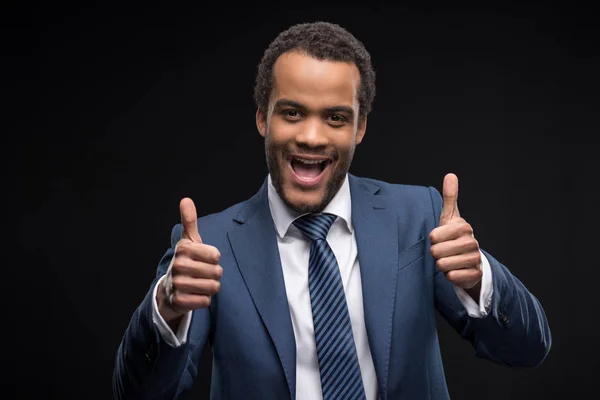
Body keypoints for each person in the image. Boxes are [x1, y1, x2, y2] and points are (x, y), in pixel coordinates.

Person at [112, 21, 551, 400]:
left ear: (360, 127)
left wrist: (479, 279)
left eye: (336, 118)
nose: (312, 137)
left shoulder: (419, 216)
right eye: (292, 112)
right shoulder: (206, 246)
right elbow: (138, 393)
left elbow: (528, 349)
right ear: (263, 118)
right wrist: (166, 311)